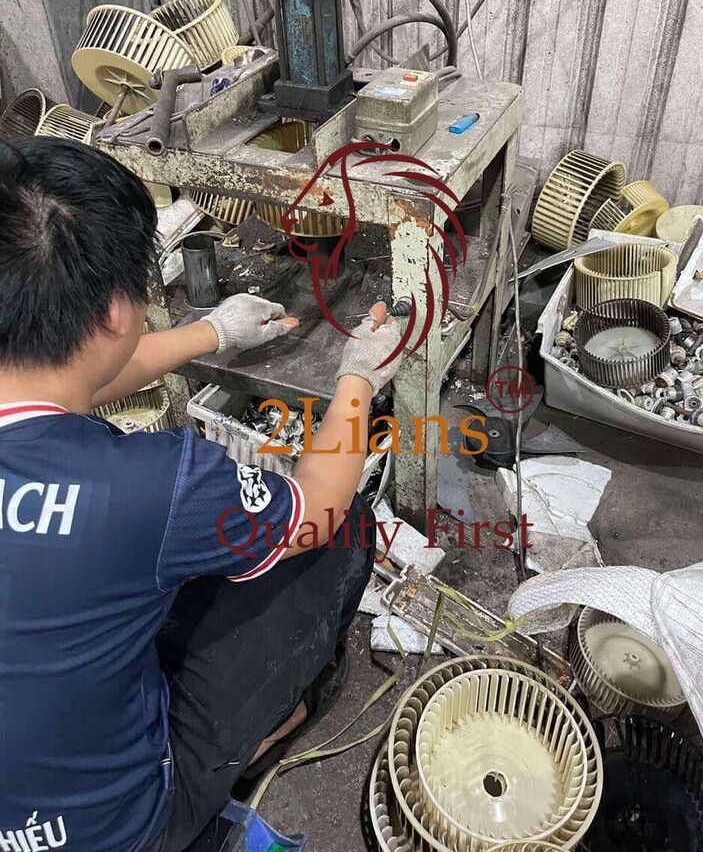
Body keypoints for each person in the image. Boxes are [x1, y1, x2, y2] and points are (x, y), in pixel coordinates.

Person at [0, 137, 404, 852]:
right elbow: (316, 508)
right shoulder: (156, 483)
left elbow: (76, 375)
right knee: (343, 532)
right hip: (118, 831)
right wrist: (358, 377)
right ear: (117, 310)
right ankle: (270, 727)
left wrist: (210, 333)